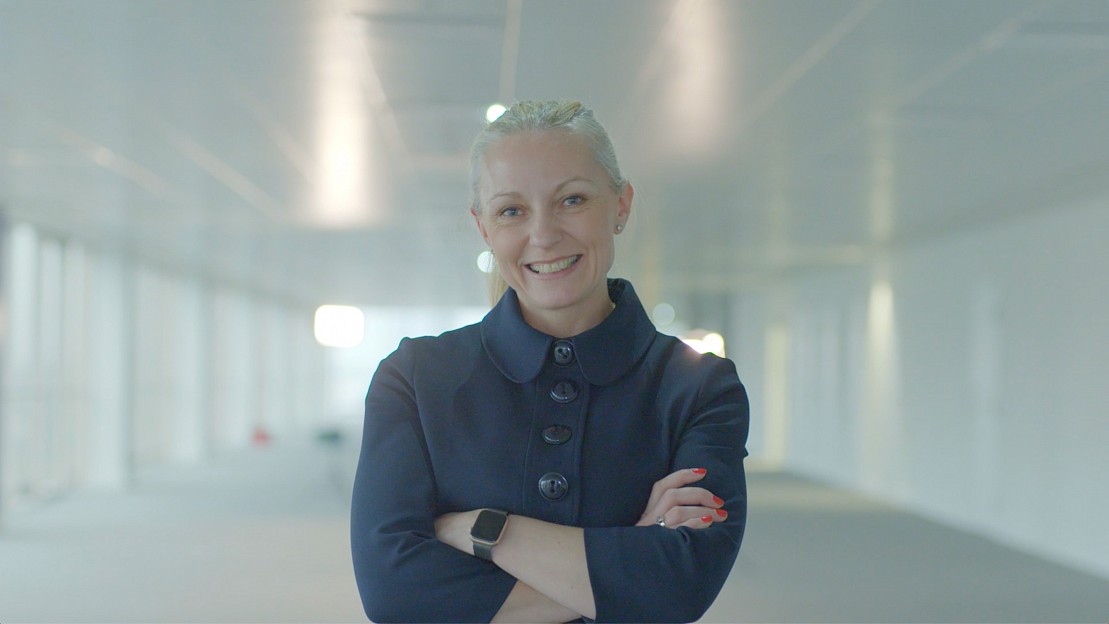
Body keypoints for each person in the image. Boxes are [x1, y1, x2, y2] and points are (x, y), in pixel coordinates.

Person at [351, 100, 749, 623]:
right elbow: (393, 595)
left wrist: (484, 531)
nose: (543, 234)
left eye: (572, 199)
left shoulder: (699, 388)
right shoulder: (415, 377)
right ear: (484, 228)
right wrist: (630, 558)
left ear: (622, 204)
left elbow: (682, 588)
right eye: (512, 210)